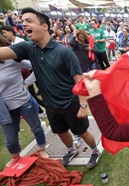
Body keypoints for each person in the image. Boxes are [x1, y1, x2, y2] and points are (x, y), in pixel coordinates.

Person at [0, 7, 101, 169]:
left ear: (45, 26)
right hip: (51, 105)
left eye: (29, 20)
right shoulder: (28, 48)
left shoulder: (64, 52)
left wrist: (83, 106)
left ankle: (95, 151)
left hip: (71, 103)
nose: (23, 23)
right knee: (60, 132)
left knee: (81, 132)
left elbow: (80, 81)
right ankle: (71, 149)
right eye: (22, 20)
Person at [0, 34, 48, 168]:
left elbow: (37, 66)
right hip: (4, 109)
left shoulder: (11, 60)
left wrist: (27, 83)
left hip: (24, 103)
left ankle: (42, 149)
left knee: (36, 127)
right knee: (9, 138)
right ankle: (15, 156)